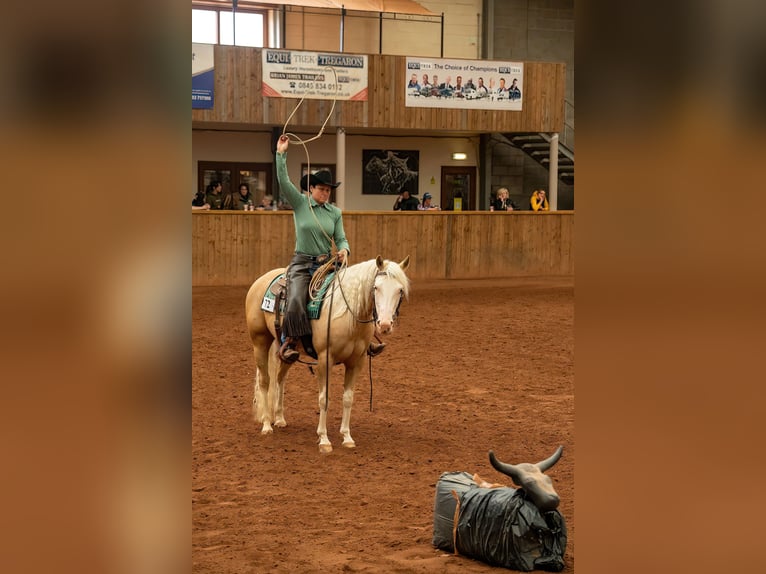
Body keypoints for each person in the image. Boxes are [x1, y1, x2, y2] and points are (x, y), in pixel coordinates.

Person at [275, 135, 384, 362]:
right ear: (311, 188)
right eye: (322, 189)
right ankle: (289, 341)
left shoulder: (335, 213)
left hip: (327, 264)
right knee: (296, 298)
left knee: (357, 293)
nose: (326, 193)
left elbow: (341, 239)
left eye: (329, 190)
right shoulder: (300, 203)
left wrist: (345, 250)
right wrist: (281, 154)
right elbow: (283, 180)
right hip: (303, 263)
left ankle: (367, 337)